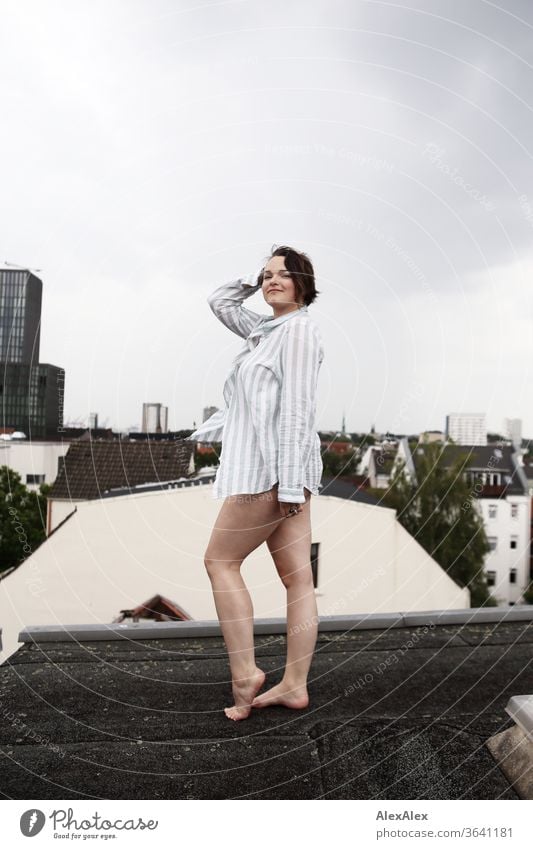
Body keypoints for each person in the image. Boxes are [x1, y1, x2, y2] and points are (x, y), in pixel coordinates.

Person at [186, 245, 324, 721]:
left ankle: (245, 675)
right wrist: (253, 279)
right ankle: (294, 685)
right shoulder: (266, 330)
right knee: (298, 578)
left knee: (219, 562)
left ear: (303, 282)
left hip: (270, 473)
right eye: (267, 276)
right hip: (283, 474)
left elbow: (297, 411)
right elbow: (220, 303)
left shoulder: (299, 329)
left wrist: (287, 488)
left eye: (283, 275)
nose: (271, 281)